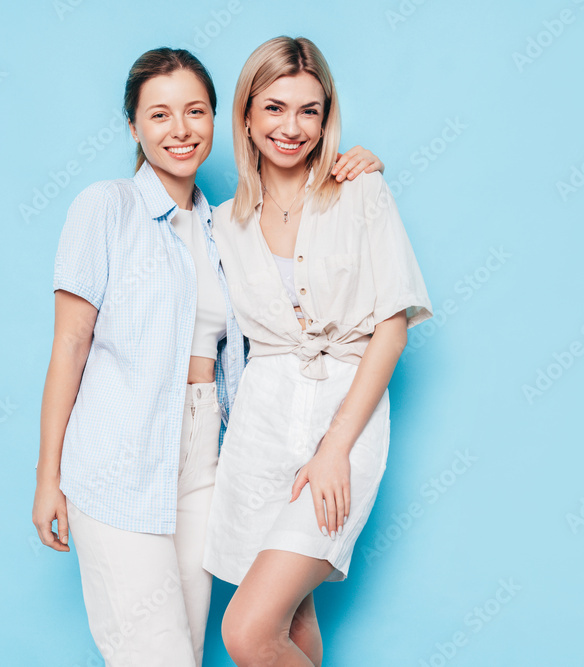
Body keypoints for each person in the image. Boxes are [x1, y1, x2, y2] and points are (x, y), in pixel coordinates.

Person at [31, 47, 383, 667]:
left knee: (190, 649)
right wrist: (47, 478)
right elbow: (69, 346)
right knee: (154, 655)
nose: (181, 130)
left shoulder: (225, 224)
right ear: (133, 125)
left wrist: (350, 166)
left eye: (195, 112)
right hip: (120, 453)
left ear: (221, 120)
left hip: (206, 458)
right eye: (160, 115)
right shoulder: (105, 208)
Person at [202, 36, 432, 666]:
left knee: (246, 631)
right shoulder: (221, 222)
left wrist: (334, 449)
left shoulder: (359, 192)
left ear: (327, 117)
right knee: (289, 619)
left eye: (310, 110)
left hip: (344, 426)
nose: (292, 127)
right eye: (275, 108)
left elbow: (393, 328)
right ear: (246, 115)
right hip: (260, 427)